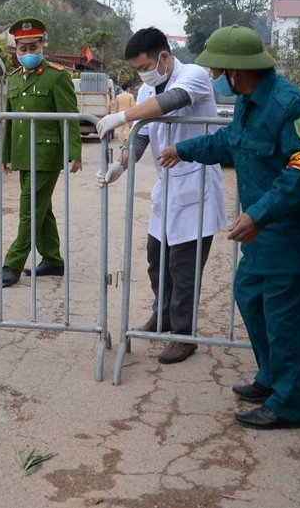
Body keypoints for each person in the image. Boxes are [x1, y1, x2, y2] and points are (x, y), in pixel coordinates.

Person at [156, 25, 300, 429]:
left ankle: (290, 404)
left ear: (238, 71)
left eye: (221, 71)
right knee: (250, 295)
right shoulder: (249, 102)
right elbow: (229, 144)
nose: (218, 78)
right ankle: (272, 378)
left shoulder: (292, 108)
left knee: (287, 318)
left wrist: (258, 215)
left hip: (292, 235)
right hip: (265, 234)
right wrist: (182, 150)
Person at [96, 28, 229, 364]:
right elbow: (142, 137)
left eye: (145, 66)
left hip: (197, 183)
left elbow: (170, 103)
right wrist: (120, 165)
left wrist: (122, 115)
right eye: (137, 69)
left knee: (184, 267)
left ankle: (184, 336)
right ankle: (163, 315)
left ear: (165, 57)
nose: (142, 74)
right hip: (167, 186)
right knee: (157, 260)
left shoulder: (194, 75)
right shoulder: (145, 89)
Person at [0, 18, 82, 287]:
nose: (28, 53)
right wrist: (6, 153)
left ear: (42, 45)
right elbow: (10, 120)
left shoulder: (57, 76)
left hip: (46, 156)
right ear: (16, 50)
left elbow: (69, 116)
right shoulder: (15, 79)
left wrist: (74, 151)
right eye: (23, 49)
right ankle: (53, 260)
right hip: (23, 154)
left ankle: (13, 263)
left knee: (29, 209)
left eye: (33, 47)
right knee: (42, 208)